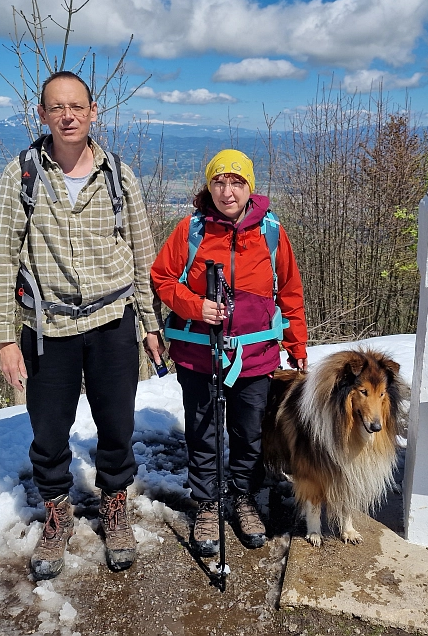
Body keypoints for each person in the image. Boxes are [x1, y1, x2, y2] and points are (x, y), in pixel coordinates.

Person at [0, 71, 165, 579]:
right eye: (57, 107)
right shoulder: (21, 175)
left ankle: (115, 507)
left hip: (112, 320)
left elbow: (142, 255)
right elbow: (1, 258)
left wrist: (150, 324)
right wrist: (4, 338)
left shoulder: (118, 175)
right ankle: (58, 513)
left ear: (92, 112)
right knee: (48, 430)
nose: (68, 116)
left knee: (117, 425)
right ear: (42, 114)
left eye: (77, 107)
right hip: (48, 326)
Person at [150, 149, 307, 556]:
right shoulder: (192, 230)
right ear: (209, 186)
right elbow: (162, 278)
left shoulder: (271, 232)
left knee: (248, 432)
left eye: (237, 182)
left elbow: (290, 291)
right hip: (199, 353)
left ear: (250, 187)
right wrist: (194, 306)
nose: (227, 191)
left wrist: (296, 344)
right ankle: (206, 503)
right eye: (219, 182)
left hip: (255, 355)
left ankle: (244, 497)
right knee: (203, 432)